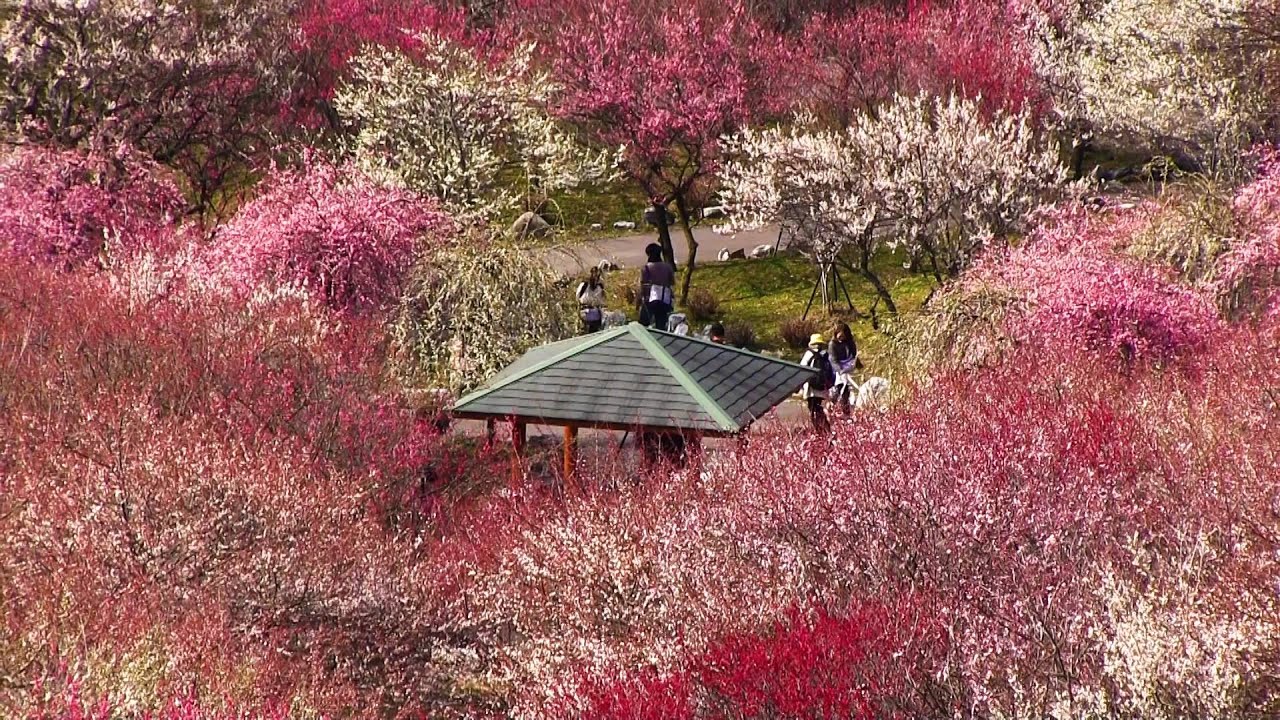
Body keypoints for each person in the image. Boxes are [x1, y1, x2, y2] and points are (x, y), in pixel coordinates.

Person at [800, 333, 833, 434]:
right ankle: (825, 428)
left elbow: (802, 368)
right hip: (822, 388)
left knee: (813, 409)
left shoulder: (809, 354)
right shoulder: (825, 354)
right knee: (818, 407)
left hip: (811, 388)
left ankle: (820, 430)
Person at [639, 242, 675, 332]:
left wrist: (639, 301)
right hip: (664, 300)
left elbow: (642, 285)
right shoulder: (667, 267)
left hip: (650, 300)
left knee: (643, 326)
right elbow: (672, 282)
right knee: (661, 326)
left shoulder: (646, 268)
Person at [828, 322, 858, 415]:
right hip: (838, 371)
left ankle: (847, 412)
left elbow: (854, 355)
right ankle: (834, 409)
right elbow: (833, 360)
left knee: (849, 392)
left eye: (843, 336)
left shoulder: (850, 343)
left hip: (849, 369)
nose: (841, 338)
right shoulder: (832, 344)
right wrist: (840, 370)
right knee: (840, 390)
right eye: (839, 336)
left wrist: (855, 364)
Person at [576, 267, 606, 333]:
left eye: (597, 276)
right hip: (585, 313)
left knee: (594, 333)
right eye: (594, 275)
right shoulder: (584, 285)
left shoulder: (599, 287)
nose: (595, 277)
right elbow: (578, 298)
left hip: (596, 315)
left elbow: (602, 301)